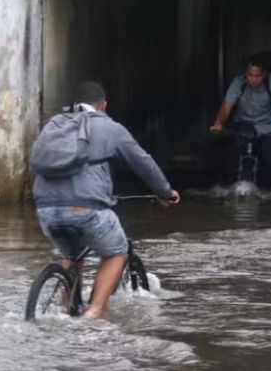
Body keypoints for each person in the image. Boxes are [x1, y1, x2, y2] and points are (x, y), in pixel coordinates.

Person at [32, 81, 179, 320]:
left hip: (45, 209)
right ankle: (94, 312)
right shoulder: (110, 127)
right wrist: (165, 192)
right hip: (86, 208)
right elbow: (143, 163)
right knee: (116, 251)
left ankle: (63, 307)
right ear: (104, 105)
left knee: (72, 254)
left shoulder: (54, 125)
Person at [208, 52, 271, 188]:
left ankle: (269, 191)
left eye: (258, 76)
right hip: (245, 124)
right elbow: (227, 106)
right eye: (250, 75)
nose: (254, 79)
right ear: (245, 74)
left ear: (264, 73)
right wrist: (218, 123)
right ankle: (233, 187)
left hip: (269, 126)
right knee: (235, 154)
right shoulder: (238, 82)